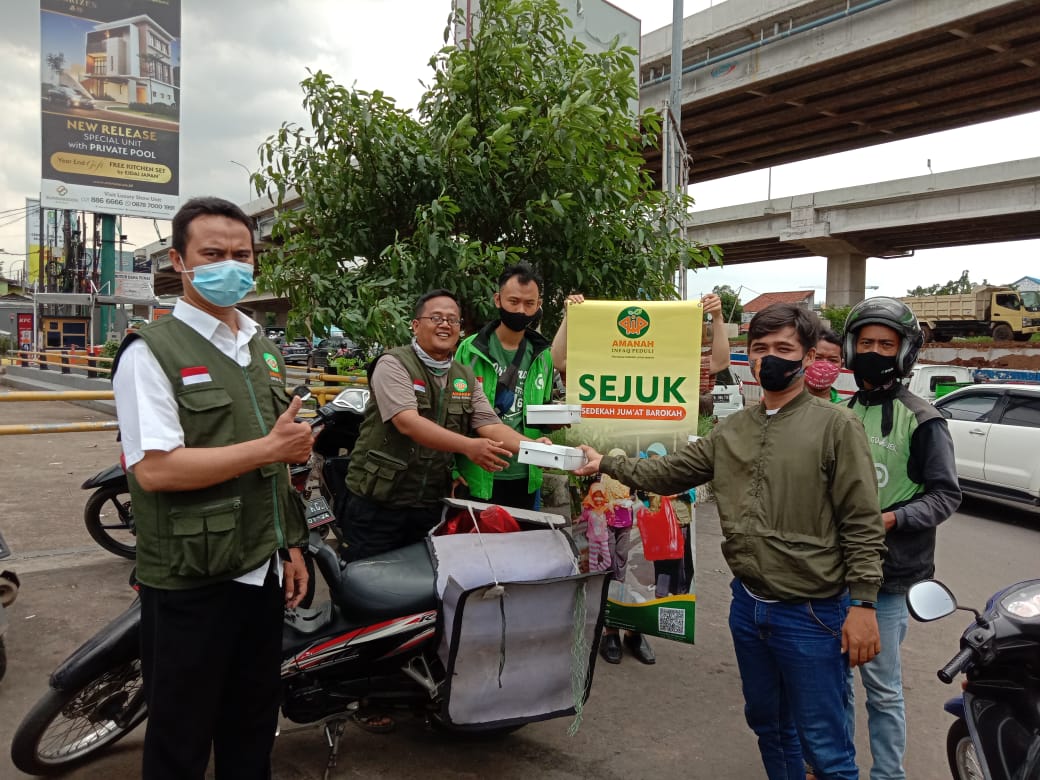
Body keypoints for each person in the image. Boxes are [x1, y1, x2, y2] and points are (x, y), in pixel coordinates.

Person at [575, 302, 886, 780]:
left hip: (812, 611)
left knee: (825, 746)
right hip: (749, 605)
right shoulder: (734, 429)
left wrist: (863, 604)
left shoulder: (837, 426)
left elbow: (861, 522)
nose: (769, 358)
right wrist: (606, 462)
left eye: (784, 348)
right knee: (768, 724)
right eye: (759, 348)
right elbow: (669, 471)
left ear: (807, 357)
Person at [111, 196, 313, 780]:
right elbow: (156, 470)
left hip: (261, 570)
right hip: (192, 579)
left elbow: (275, 464)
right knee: (181, 738)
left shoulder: (262, 349)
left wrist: (290, 545)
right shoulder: (152, 351)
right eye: (213, 254)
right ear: (179, 261)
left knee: (252, 727)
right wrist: (271, 449)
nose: (231, 265)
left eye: (241, 255)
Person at [843, 297, 961, 780]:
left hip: (889, 579)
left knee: (882, 687)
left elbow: (945, 496)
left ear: (904, 352)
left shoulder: (923, 419)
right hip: (832, 571)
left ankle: (888, 775)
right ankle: (831, 764)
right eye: (866, 342)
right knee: (832, 681)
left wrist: (892, 519)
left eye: (885, 344)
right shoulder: (842, 411)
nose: (874, 351)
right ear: (851, 348)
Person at [342, 288, 544, 563]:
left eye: (452, 320)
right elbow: (407, 421)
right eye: (436, 318)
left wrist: (537, 448)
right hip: (378, 503)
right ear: (416, 325)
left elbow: (490, 425)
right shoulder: (393, 364)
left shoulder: (464, 376)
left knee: (425, 580)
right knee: (368, 579)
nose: (445, 325)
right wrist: (469, 446)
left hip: (428, 504)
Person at [454, 264, 555, 510]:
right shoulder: (470, 350)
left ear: (539, 305)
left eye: (529, 304)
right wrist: (452, 469)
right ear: (498, 300)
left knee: (525, 534)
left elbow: (542, 412)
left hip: (525, 475)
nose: (521, 310)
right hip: (478, 474)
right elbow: (452, 415)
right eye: (514, 301)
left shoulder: (543, 356)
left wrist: (554, 423)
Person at [551, 292, 731, 378]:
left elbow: (720, 362)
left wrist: (718, 317)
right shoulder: (603, 363)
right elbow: (558, 360)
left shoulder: (674, 365)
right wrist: (569, 316)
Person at [805, 328, 844, 402]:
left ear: (841, 365)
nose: (824, 366)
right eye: (817, 358)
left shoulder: (844, 407)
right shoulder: (785, 401)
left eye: (832, 360)